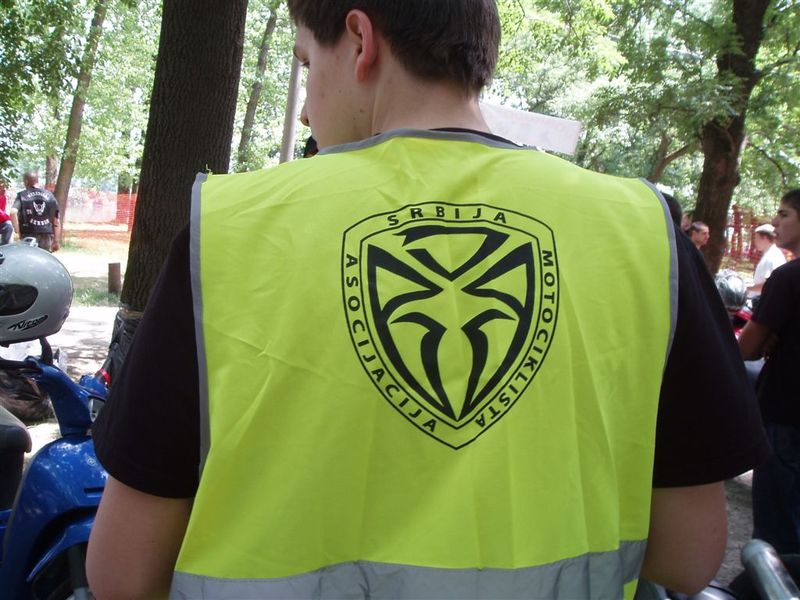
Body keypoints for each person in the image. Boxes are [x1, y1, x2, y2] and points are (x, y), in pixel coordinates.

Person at [86, 2, 767, 598]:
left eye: (307, 62)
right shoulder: (642, 230)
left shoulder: (229, 229)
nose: (306, 108)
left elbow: (122, 573)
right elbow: (687, 558)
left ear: (361, 40)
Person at [739, 188, 800, 555]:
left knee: (777, 536)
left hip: (785, 417)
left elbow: (746, 348)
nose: (775, 222)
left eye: (785, 214)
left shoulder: (788, 278)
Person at [10, 171, 60, 252]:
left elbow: (13, 212)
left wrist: (17, 230)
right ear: (37, 181)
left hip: (27, 234)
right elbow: (56, 220)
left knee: (28, 258)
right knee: (43, 258)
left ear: (26, 181)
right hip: (46, 235)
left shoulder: (22, 195)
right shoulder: (50, 196)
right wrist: (56, 240)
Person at [748, 223, 786, 296]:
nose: (754, 241)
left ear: (764, 238)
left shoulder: (772, 256)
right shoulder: (770, 253)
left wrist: (746, 288)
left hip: (765, 299)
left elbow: (769, 284)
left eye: (756, 238)